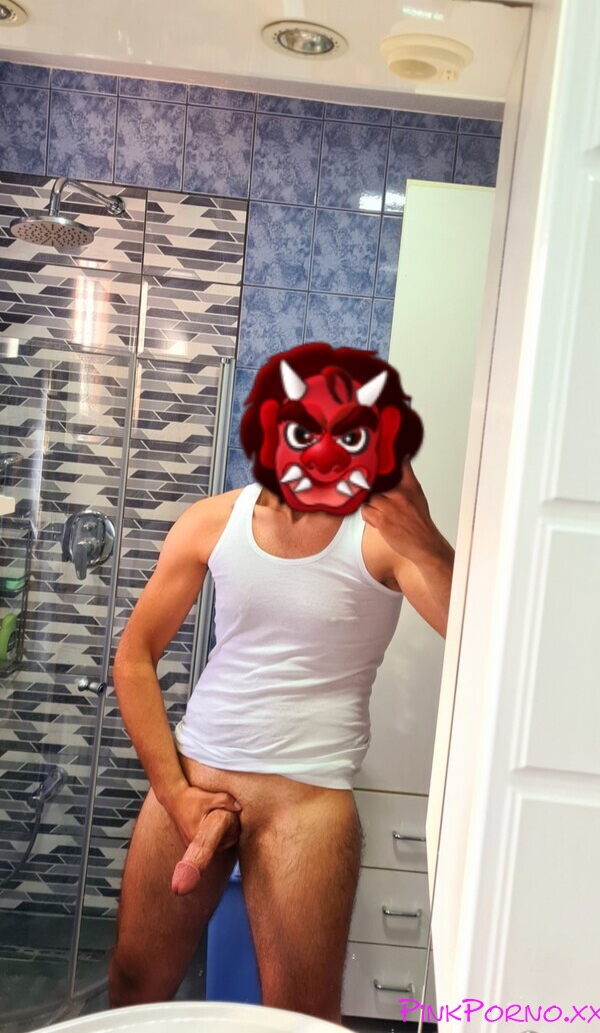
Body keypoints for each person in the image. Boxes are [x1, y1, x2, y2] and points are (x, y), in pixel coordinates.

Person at [108, 345, 454, 1023]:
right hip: (194, 775)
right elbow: (134, 657)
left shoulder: (380, 537)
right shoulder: (211, 521)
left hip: (308, 803)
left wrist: (426, 541)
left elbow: (479, 639)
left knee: (301, 1018)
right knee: (132, 979)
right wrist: (177, 796)